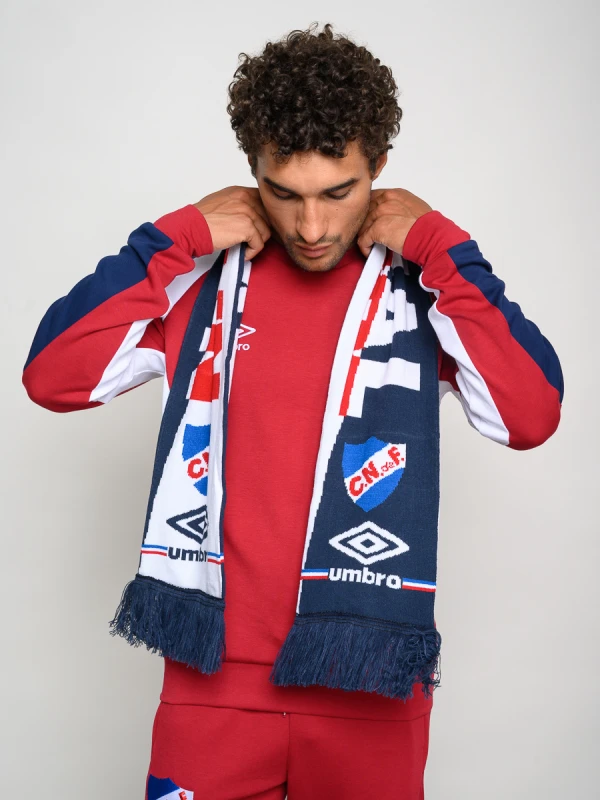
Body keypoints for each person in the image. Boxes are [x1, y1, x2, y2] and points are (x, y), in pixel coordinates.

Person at [22, 21, 564, 800]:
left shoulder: (419, 292)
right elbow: (52, 376)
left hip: (369, 691)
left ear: (378, 169)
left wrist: (445, 249)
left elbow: (530, 414)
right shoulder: (200, 281)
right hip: (212, 688)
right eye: (285, 194)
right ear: (254, 173)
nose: (313, 227)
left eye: (339, 193)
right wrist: (172, 239)